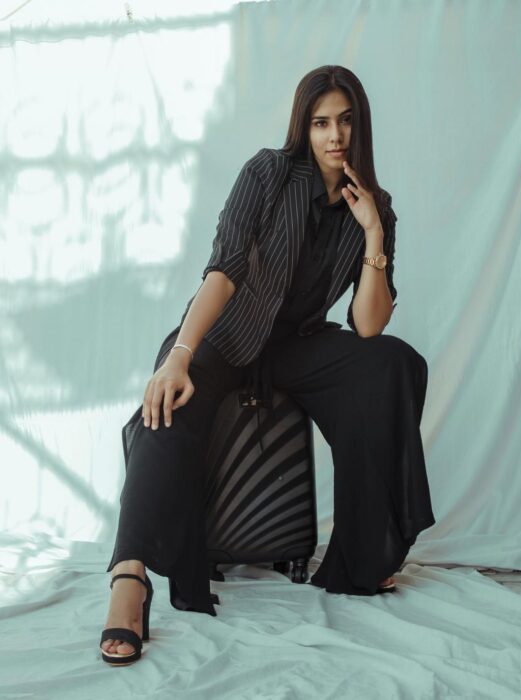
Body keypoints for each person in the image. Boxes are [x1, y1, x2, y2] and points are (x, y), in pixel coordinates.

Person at [100, 65, 436, 665]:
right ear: (304, 128)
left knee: (390, 362)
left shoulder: (374, 208)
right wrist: (180, 355)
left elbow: (367, 325)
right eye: (321, 123)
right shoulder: (268, 173)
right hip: (227, 333)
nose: (335, 135)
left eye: (345, 122)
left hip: (297, 345)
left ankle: (363, 556)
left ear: (360, 127)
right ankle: (130, 576)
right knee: (167, 405)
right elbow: (224, 270)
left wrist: (372, 236)